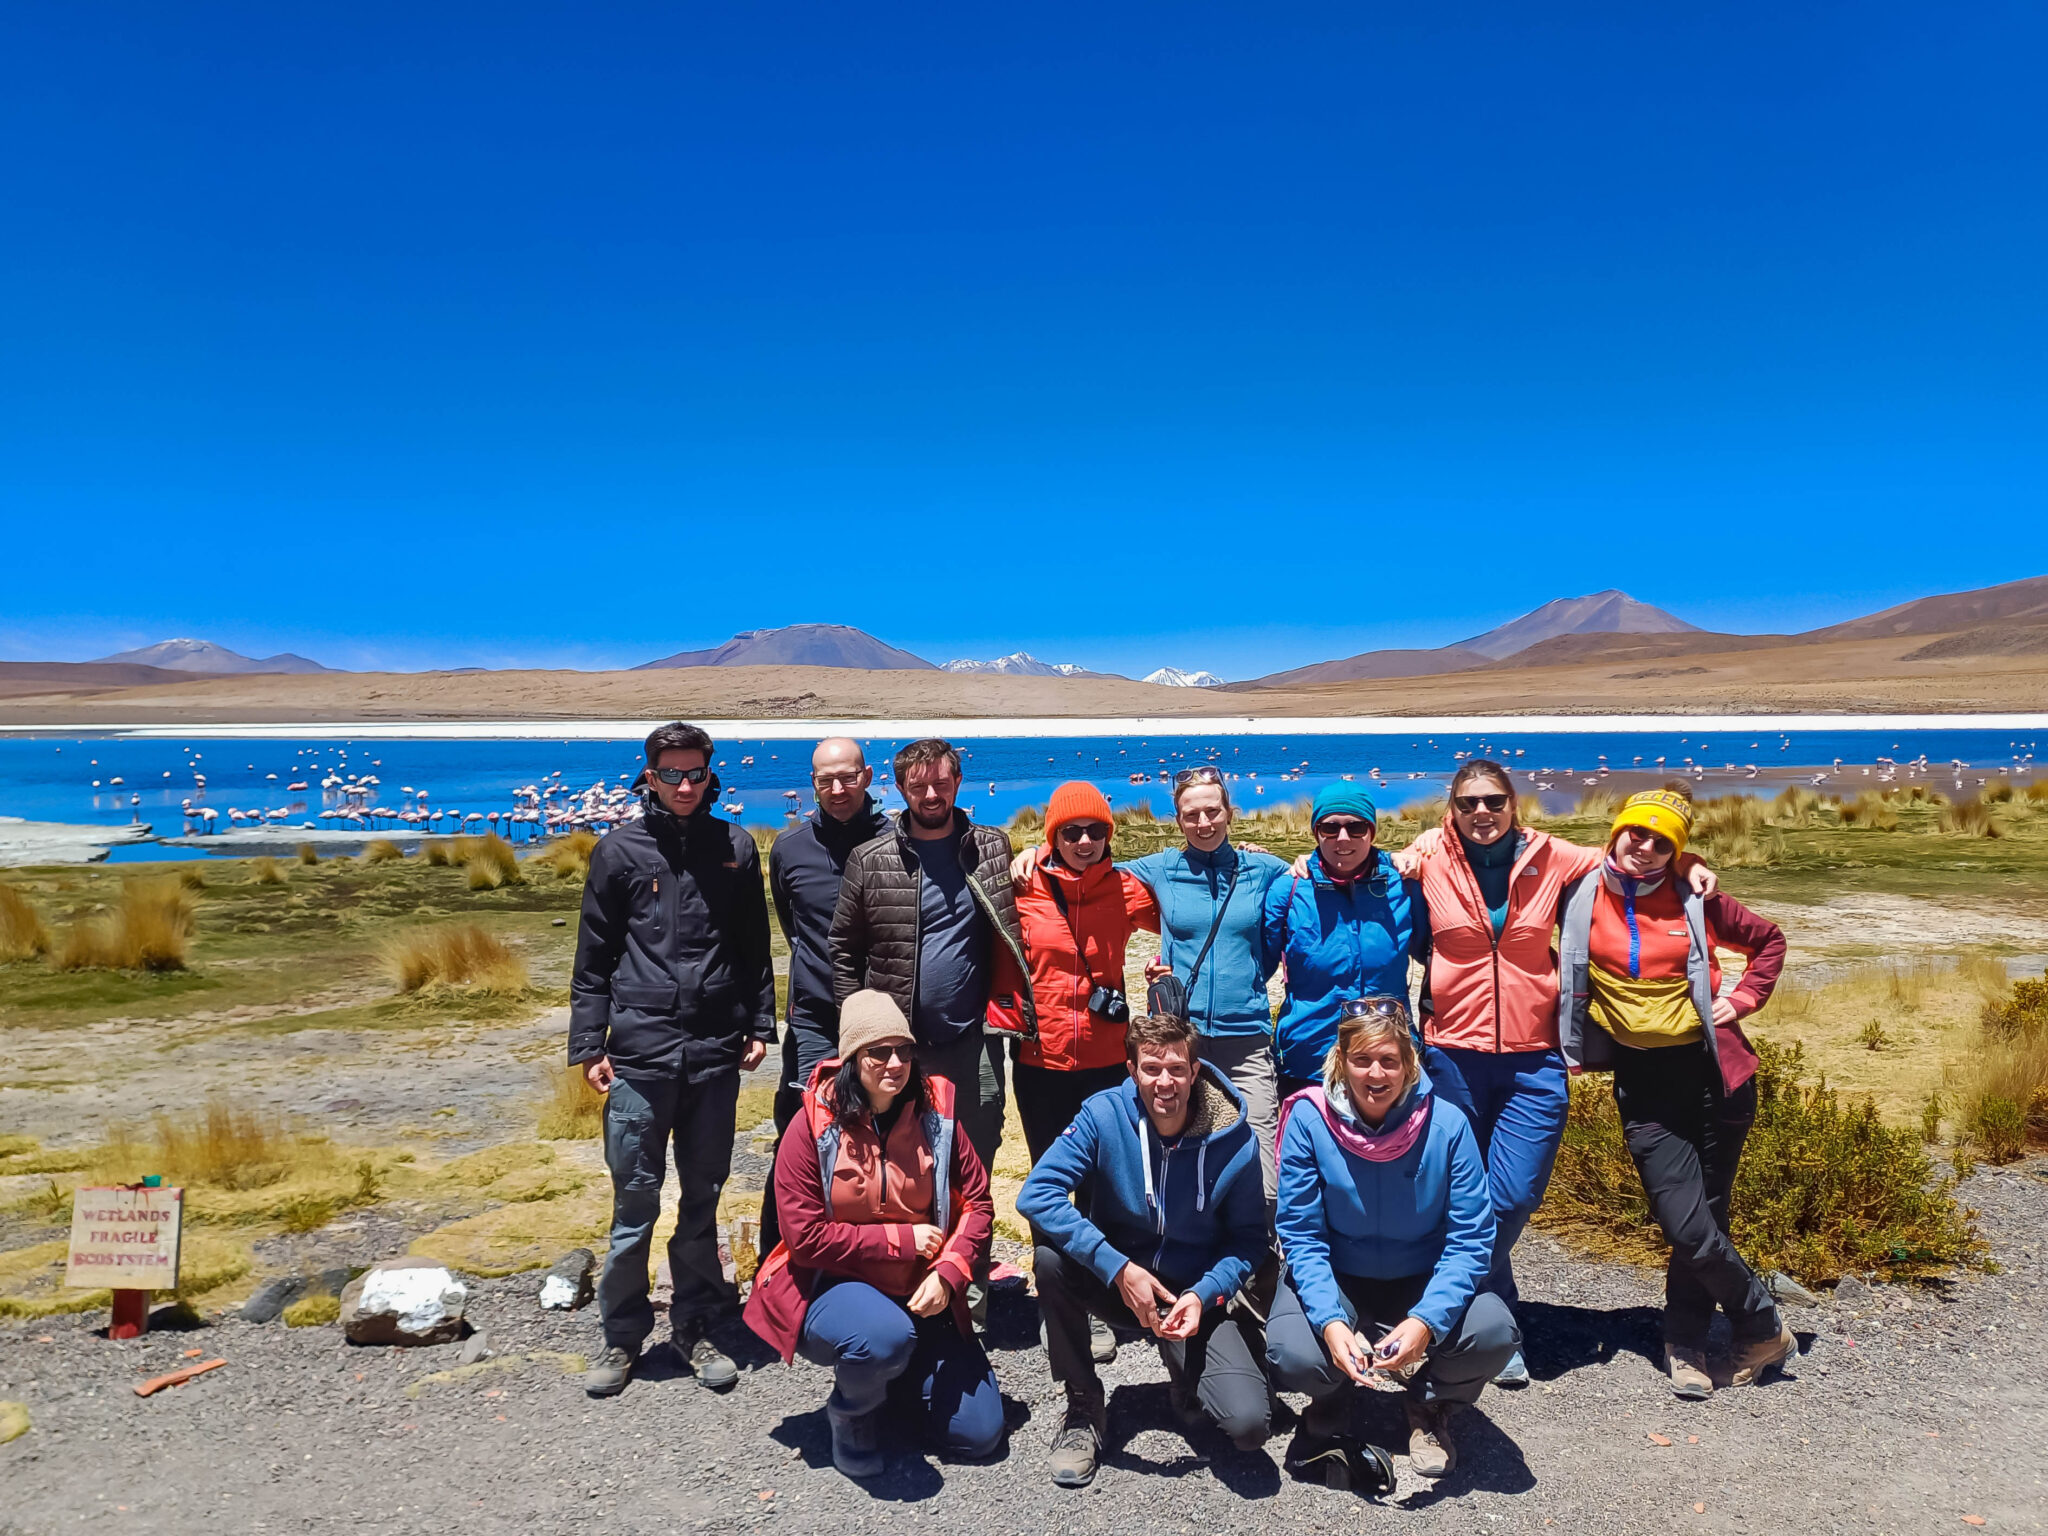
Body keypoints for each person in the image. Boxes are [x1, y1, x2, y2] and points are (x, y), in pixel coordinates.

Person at [1391, 758, 1717, 1386]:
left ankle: (1443, 1309)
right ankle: (1497, 1324)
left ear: (1515, 805)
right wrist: (1296, 863)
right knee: (1461, 1192)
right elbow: (1366, 866)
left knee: (1511, 1195)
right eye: (1468, 803)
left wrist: (1685, 862)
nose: (1481, 813)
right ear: (1450, 810)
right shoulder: (1429, 854)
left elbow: (1631, 858)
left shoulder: (1555, 856)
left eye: (1493, 801)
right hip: (1451, 1054)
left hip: (1535, 1058)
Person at [1558, 785, 1796, 1398]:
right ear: (1615, 833)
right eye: (1637, 832)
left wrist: (1742, 998)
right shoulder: (1579, 890)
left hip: (1718, 1077)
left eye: (1664, 841)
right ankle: (1762, 1321)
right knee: (1684, 1222)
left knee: (1706, 1218)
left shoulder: (1697, 898)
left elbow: (1768, 942)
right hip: (1646, 1083)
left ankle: (1685, 1343)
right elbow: (1517, 852)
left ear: (1678, 849)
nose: (1645, 846)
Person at [569, 720, 775, 1398]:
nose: (686, 787)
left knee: (703, 1198)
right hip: (640, 1055)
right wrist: (588, 1043)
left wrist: (759, 1025)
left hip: (714, 1052)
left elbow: (751, 947)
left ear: (710, 775)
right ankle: (622, 1337)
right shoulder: (619, 853)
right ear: (649, 776)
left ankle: (695, 1323)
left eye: (696, 774)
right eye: (672, 774)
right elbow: (593, 958)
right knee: (635, 1203)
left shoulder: (734, 847)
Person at [744, 991, 1004, 1476]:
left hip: (920, 1291)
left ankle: (893, 1380)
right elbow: (803, 1236)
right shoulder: (811, 1126)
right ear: (851, 1059)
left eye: (903, 1050)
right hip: (832, 1286)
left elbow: (980, 1203)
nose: (894, 1063)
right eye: (878, 1052)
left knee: (980, 1434)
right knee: (883, 1337)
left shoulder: (937, 1117)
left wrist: (949, 1272)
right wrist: (900, 1241)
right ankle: (852, 1414)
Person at [1265, 999, 1516, 1488]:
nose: (1375, 1074)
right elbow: (1301, 1233)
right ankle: (1334, 1396)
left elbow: (1471, 1239)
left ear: (1410, 1063)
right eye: (1361, 1059)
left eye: (1389, 1061)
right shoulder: (1308, 1121)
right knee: (1293, 1353)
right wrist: (1331, 1321)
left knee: (1494, 1333)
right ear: (1340, 1060)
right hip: (1340, 1281)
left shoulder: (1448, 1126)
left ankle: (1427, 1404)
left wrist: (1427, 1321)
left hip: (1420, 1282)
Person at [1018, 1011, 1272, 1488]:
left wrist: (1205, 1293)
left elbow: (1248, 1240)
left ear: (1195, 1071)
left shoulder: (1234, 1138)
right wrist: (1116, 1267)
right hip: (1119, 1281)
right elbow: (1037, 1194)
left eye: (1177, 1068)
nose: (1165, 1082)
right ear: (1132, 1070)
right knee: (1050, 1261)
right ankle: (1083, 1406)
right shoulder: (1103, 1114)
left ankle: (1194, 1370)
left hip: (1191, 1294)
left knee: (1249, 1425)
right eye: (1151, 1069)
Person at [830, 736, 1036, 1185]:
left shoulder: (992, 848)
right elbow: (843, 948)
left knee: (979, 1149)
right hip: (899, 1046)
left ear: (958, 782)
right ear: (900, 788)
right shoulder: (869, 861)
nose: (930, 795)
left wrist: (1037, 852)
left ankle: (969, 1249)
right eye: (918, 786)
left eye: (941, 783)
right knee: (904, 1157)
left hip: (975, 1038)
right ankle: (912, 1249)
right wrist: (858, 1030)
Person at [1127, 766, 1290, 1201]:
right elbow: (1085, 861)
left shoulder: (1265, 870)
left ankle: (1264, 1261)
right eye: (1191, 815)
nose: (1203, 824)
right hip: (1182, 1042)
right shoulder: (1160, 868)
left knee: (1263, 1171)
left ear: (1229, 813)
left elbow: (1314, 872)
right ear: (1177, 820)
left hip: (1247, 1040)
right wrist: (1040, 851)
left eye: (1212, 812)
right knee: (1185, 1154)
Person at [759, 737, 890, 1253]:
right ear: (811, 782)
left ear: (868, 775)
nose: (837, 789)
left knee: (884, 1137)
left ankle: (878, 1251)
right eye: (824, 780)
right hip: (816, 1019)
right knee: (805, 1134)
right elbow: (796, 929)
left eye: (848, 777)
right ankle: (783, 1261)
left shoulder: (896, 839)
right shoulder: (789, 850)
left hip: (886, 1020)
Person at [996, 781, 1160, 1164]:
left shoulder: (1126, 889)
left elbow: (1186, 922)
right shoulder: (1024, 884)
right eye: (1071, 832)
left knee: (1105, 1176)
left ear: (1108, 835)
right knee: (1048, 1173)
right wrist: (1029, 853)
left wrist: (1163, 966)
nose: (1085, 842)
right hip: (1039, 1060)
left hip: (1106, 1059)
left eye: (1096, 831)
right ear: (1054, 836)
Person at [1263, 783, 1429, 1101]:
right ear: (1316, 833)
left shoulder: (1403, 885)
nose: (1343, 838)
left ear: (1372, 831)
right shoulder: (1289, 891)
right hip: (1307, 1060)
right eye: (1330, 827)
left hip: (1387, 1061)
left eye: (1355, 827)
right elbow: (1257, 969)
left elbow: (1436, 954)